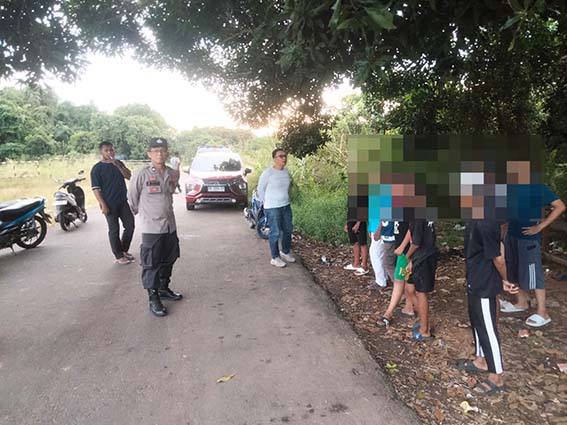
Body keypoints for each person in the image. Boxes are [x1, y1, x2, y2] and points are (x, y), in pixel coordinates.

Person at [500, 162, 566, 327]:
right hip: (511, 235)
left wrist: (541, 226)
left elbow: (560, 206)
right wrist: (503, 233)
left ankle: (543, 312)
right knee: (512, 269)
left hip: (529, 238)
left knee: (534, 272)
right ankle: (521, 302)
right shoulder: (511, 188)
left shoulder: (538, 188)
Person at [457, 220, 519, 395]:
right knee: (476, 321)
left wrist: (505, 279)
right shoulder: (474, 217)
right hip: (474, 278)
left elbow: (498, 258)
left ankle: (496, 376)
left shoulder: (487, 221)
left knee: (487, 328)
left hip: (484, 282)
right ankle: (481, 360)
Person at [128, 138, 183, 317]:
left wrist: (178, 170)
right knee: (151, 262)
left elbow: (172, 190)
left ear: (167, 153)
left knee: (170, 257)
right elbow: (132, 198)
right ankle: (153, 297)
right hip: (151, 227)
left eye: (162, 150)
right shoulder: (142, 174)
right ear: (149, 154)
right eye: (155, 151)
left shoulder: (170, 173)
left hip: (169, 225)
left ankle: (163, 288)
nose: (159, 154)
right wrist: (143, 214)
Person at [91, 141, 135, 265]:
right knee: (114, 229)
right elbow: (95, 189)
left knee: (130, 225)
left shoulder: (119, 163)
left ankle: (124, 250)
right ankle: (118, 255)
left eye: (111, 149)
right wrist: (103, 204)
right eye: (106, 150)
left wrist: (118, 166)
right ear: (101, 152)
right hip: (109, 203)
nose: (110, 152)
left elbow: (129, 176)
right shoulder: (97, 168)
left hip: (122, 201)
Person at [257, 148, 296, 268]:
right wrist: (265, 204)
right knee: (275, 232)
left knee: (288, 230)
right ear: (274, 159)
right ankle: (275, 258)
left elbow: (288, 187)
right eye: (281, 156)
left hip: (285, 205)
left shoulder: (286, 171)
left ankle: (285, 252)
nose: (284, 158)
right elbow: (260, 189)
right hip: (272, 207)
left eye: (285, 156)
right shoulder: (268, 173)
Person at [405, 220, 438, 341]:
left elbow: (416, 243)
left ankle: (424, 331)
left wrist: (407, 256)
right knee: (409, 288)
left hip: (423, 257)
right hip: (417, 257)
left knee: (421, 292)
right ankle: (424, 319)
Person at [369, 220, 396, 287]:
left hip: (382, 230)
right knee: (382, 255)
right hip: (379, 229)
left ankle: (381, 280)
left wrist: (378, 230)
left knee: (376, 254)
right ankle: (385, 277)